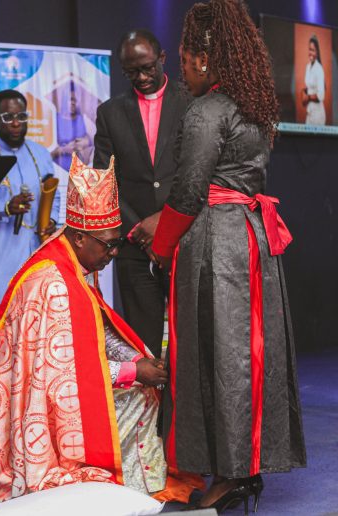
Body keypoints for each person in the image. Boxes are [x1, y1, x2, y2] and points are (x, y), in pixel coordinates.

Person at [0, 153, 201, 512]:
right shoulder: (53, 284)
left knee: (143, 386)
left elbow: (96, 333)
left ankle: (134, 481)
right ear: (79, 237)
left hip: (49, 391)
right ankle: (125, 484)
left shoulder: (70, 262)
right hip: (37, 412)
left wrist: (138, 359)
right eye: (108, 244)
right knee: (139, 394)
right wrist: (133, 371)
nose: (113, 253)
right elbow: (64, 375)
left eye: (117, 243)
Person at [152, 1, 306, 513]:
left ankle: (230, 473)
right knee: (248, 353)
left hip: (217, 242)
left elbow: (189, 191)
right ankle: (246, 467)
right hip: (253, 239)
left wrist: (160, 246)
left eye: (185, 60)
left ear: (204, 58)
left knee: (217, 356)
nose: (183, 71)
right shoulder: (254, 106)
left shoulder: (209, 110)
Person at [94, 29, 190, 358]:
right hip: (136, 249)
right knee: (143, 347)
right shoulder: (110, 112)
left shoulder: (191, 101)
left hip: (184, 241)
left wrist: (166, 221)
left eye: (148, 68)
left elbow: (199, 170)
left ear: (162, 58)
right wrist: (139, 229)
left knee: (188, 341)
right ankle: (152, 396)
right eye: (132, 72)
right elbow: (105, 178)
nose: (142, 77)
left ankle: (181, 396)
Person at [0, 89, 61, 335]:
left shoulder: (40, 153)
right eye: (8, 117)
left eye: (21, 116)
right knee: (0, 326)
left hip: (36, 251)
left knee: (36, 322)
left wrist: (51, 219)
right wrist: (6, 208)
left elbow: (54, 194)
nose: (16, 123)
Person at [51, 81, 93, 168]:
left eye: (76, 100)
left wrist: (86, 142)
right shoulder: (54, 118)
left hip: (79, 169)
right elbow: (46, 153)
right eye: (71, 99)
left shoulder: (83, 119)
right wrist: (64, 149)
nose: (73, 103)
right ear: (64, 99)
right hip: (58, 168)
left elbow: (95, 139)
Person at [302, 35, 326, 125]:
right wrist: (303, 92)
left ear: (317, 52)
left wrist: (307, 97)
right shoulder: (308, 67)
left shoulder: (319, 69)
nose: (310, 52)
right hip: (309, 112)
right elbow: (308, 86)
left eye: (313, 50)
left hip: (318, 115)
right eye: (309, 49)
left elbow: (321, 96)